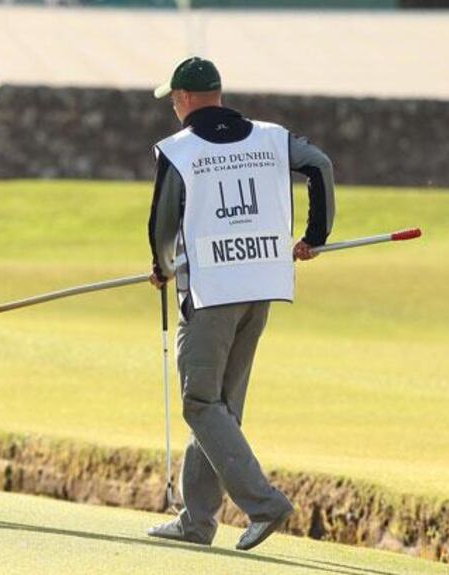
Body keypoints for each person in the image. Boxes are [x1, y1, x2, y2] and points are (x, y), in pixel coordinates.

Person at [145, 57, 335, 550]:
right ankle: (197, 522)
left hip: (211, 292)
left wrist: (162, 265)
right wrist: (315, 235)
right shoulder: (272, 137)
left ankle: (264, 504)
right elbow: (320, 166)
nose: (172, 105)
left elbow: (163, 225)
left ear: (184, 99)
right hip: (264, 284)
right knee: (220, 407)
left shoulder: (179, 149)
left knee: (200, 402)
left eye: (173, 98)